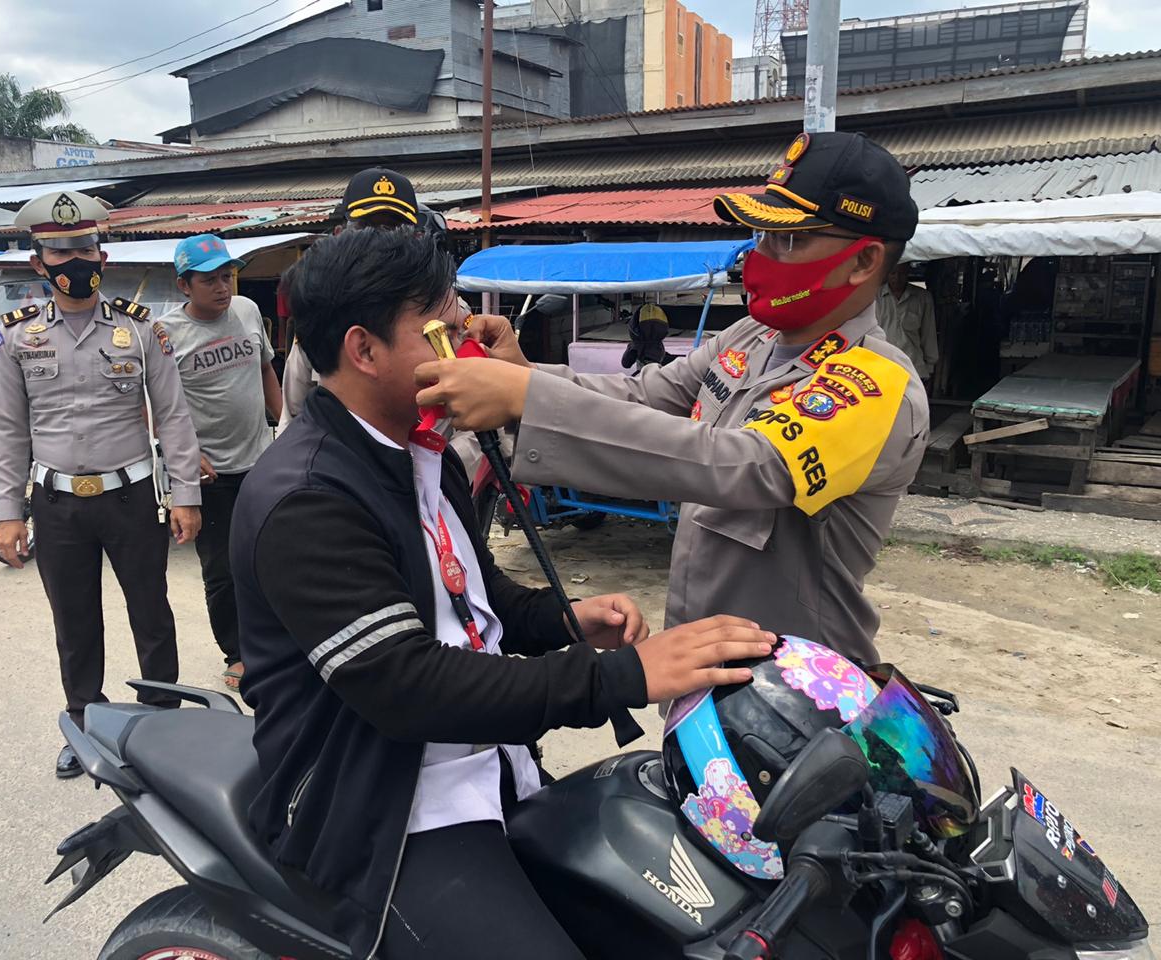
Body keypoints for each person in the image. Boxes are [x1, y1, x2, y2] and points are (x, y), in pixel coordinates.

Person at [230, 226, 774, 960]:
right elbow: (407, 683)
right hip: (386, 807)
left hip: (486, 766)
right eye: (440, 331)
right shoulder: (309, 499)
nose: (466, 351)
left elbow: (468, 598)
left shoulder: (421, 451)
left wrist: (561, 619)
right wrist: (625, 676)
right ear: (363, 351)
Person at [415, 132, 931, 666]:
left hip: (803, 686)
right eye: (760, 234)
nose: (760, 255)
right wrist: (523, 373)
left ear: (863, 261)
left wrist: (526, 399)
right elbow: (645, 395)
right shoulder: (749, 338)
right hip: (701, 669)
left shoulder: (874, 383)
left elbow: (744, 466)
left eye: (789, 240)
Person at [0, 190, 202, 778]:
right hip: (56, 503)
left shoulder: (141, 332)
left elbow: (174, 415)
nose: (73, 261)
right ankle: (83, 720)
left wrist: (185, 493)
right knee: (74, 620)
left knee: (151, 612)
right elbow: (7, 431)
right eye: (59, 252)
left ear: (101, 255)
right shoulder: (17, 338)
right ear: (38, 263)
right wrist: (9, 511)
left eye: (84, 247)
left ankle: (160, 719)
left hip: (132, 497)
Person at [156, 233, 283, 692]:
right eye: (209, 280)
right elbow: (156, 406)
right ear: (183, 286)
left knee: (272, 555)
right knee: (223, 570)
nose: (223, 287)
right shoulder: (165, 334)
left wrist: (286, 425)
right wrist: (188, 455)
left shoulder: (248, 312)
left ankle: (277, 638)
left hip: (261, 459)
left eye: (227, 276)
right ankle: (237, 651)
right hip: (209, 474)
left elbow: (267, 368)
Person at [277, 166, 422, 431]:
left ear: (417, 238)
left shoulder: (445, 313)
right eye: (366, 227)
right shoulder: (321, 314)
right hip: (335, 468)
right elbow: (294, 416)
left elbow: (471, 426)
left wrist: (429, 467)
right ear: (340, 235)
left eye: (393, 229)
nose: (380, 241)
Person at [877, 262, 939, 390]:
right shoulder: (874, 296)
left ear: (908, 273)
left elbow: (928, 333)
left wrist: (930, 366)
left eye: (902, 273)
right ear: (887, 274)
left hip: (912, 365)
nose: (897, 278)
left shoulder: (922, 297)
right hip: (881, 364)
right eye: (893, 273)